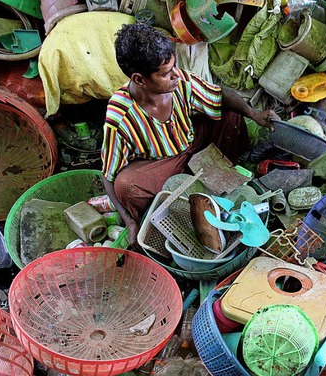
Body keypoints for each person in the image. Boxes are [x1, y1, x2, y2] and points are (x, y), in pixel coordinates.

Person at [101, 23, 279, 248]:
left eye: (174, 67)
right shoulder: (120, 116)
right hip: (163, 164)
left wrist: (254, 114)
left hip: (195, 142)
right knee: (126, 185)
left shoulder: (180, 81)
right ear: (139, 79)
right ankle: (160, 209)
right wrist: (129, 222)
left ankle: (228, 169)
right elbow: (108, 176)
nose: (176, 75)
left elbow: (218, 95)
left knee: (231, 114)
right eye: (166, 74)